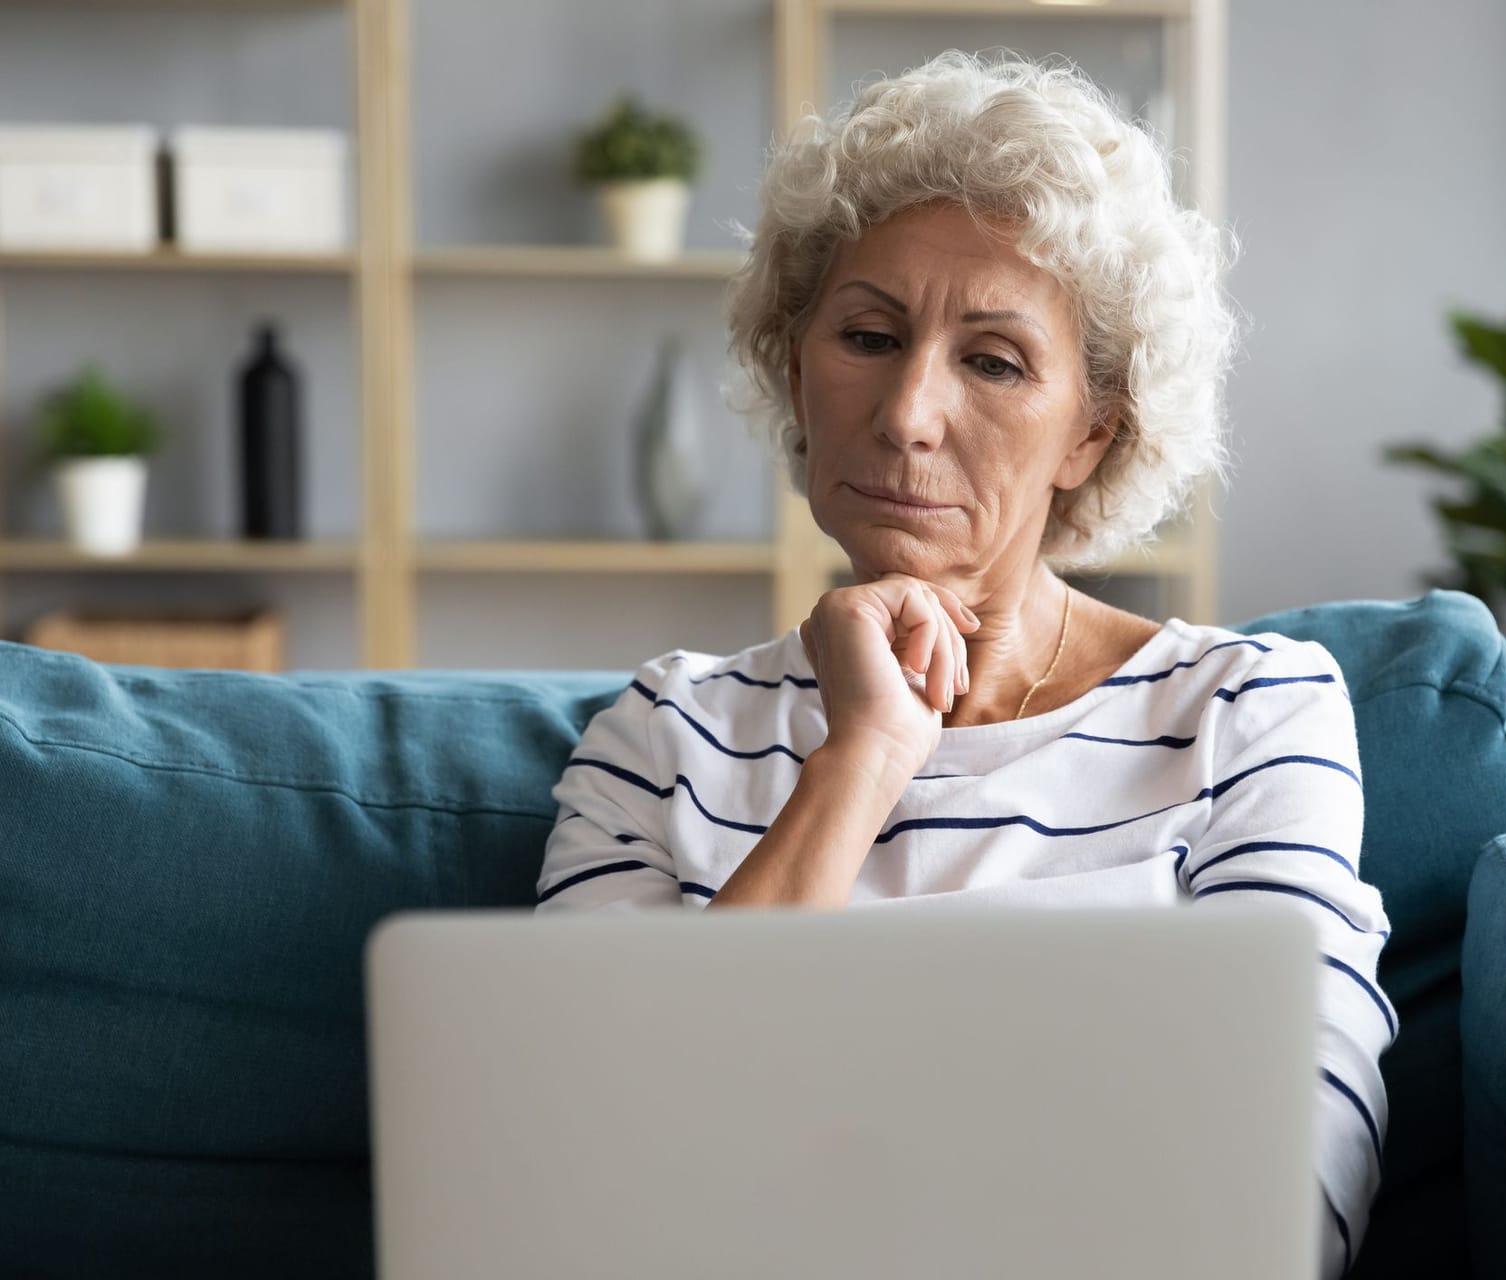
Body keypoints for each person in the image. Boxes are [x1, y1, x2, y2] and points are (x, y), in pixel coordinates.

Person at [536, 50, 1393, 1278]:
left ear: (1093, 428)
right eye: (868, 336)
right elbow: (588, 1174)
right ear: (795, 368)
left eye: (993, 360)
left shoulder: (1251, 713)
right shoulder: (664, 733)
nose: (906, 414)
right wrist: (864, 760)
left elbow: (1287, 1202)